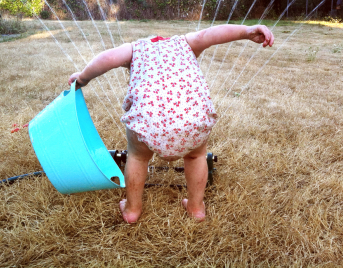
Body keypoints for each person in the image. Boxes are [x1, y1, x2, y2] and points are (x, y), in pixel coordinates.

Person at [68, 24, 274, 223]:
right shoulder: (185, 43)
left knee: (138, 158)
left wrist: (83, 78)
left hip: (148, 121)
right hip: (192, 119)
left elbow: (109, 58)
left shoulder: (135, 48)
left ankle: (132, 210)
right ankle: (195, 207)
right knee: (196, 156)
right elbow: (211, 34)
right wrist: (247, 31)